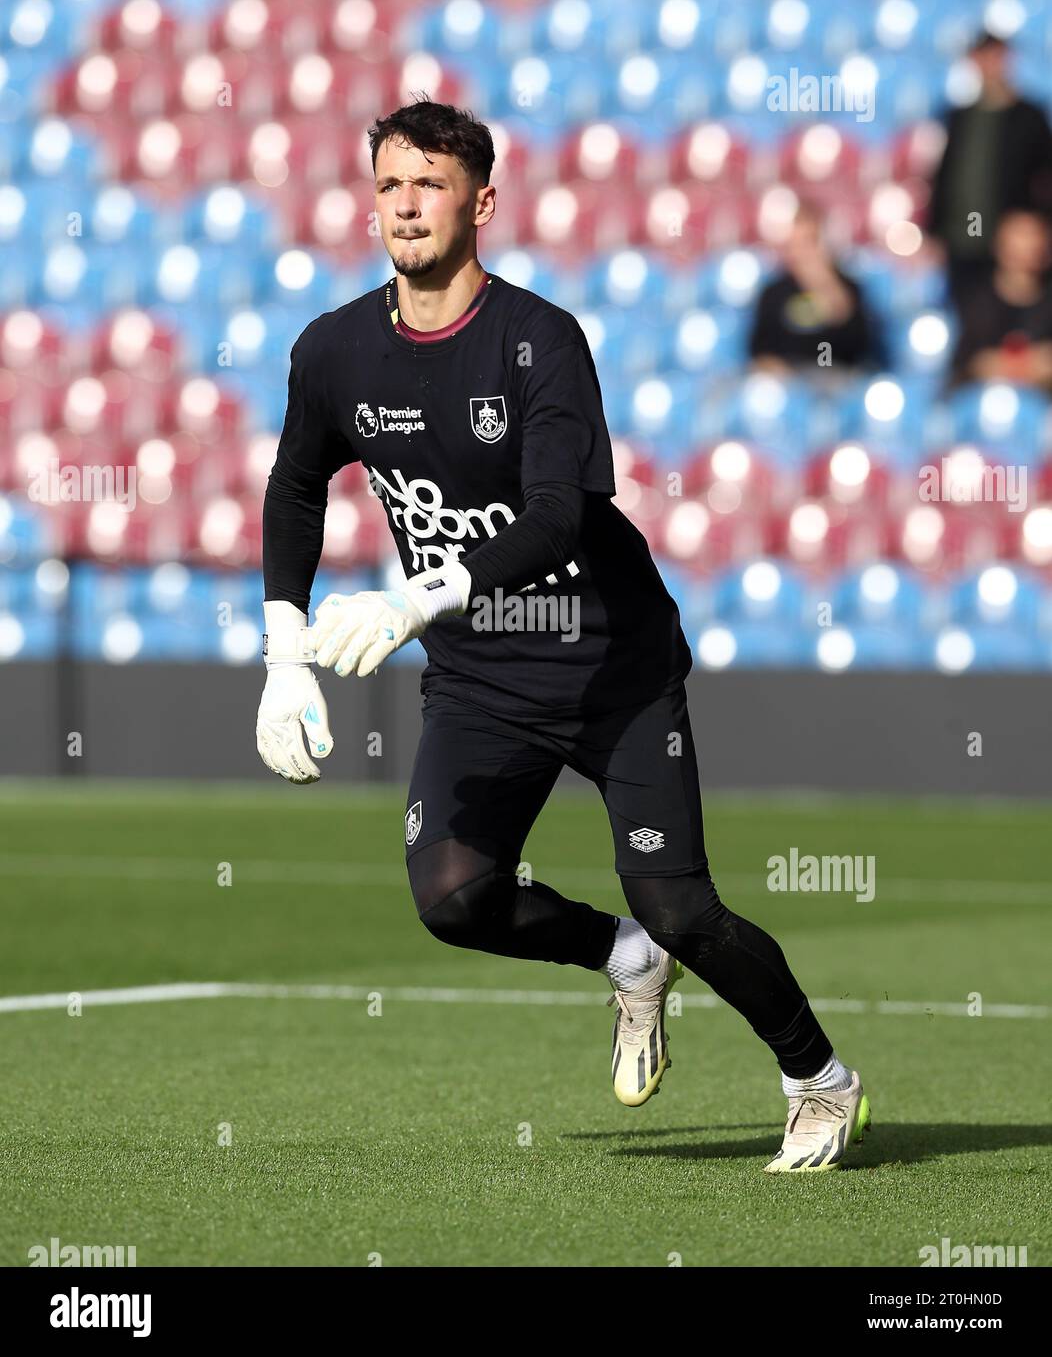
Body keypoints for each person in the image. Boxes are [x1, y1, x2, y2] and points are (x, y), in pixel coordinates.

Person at [256, 98, 871, 1172]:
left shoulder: (537, 338)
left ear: (481, 202)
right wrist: (279, 650)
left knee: (680, 905)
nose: (406, 204)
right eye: (389, 183)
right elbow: (296, 484)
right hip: (480, 676)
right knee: (452, 895)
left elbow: (558, 514)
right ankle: (617, 956)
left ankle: (817, 1077)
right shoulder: (333, 350)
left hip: (609, 668)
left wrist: (410, 599)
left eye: (431, 184)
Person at [927, 30, 1052, 306]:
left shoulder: (1029, 117)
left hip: (1009, 241)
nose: (990, 65)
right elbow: (947, 175)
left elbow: (1044, 176)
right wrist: (934, 228)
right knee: (968, 309)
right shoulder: (959, 116)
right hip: (962, 240)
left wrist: (1036, 227)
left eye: (996, 57)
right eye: (983, 57)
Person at [748, 202, 884, 373]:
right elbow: (761, 351)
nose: (800, 251)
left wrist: (822, 281)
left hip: (838, 381)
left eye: (809, 241)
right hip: (790, 383)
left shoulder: (850, 288)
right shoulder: (774, 293)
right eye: (794, 243)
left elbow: (858, 347)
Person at [950, 209, 1052, 393]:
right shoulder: (972, 302)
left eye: (1033, 235)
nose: (1026, 245)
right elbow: (964, 361)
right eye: (1019, 235)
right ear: (999, 245)